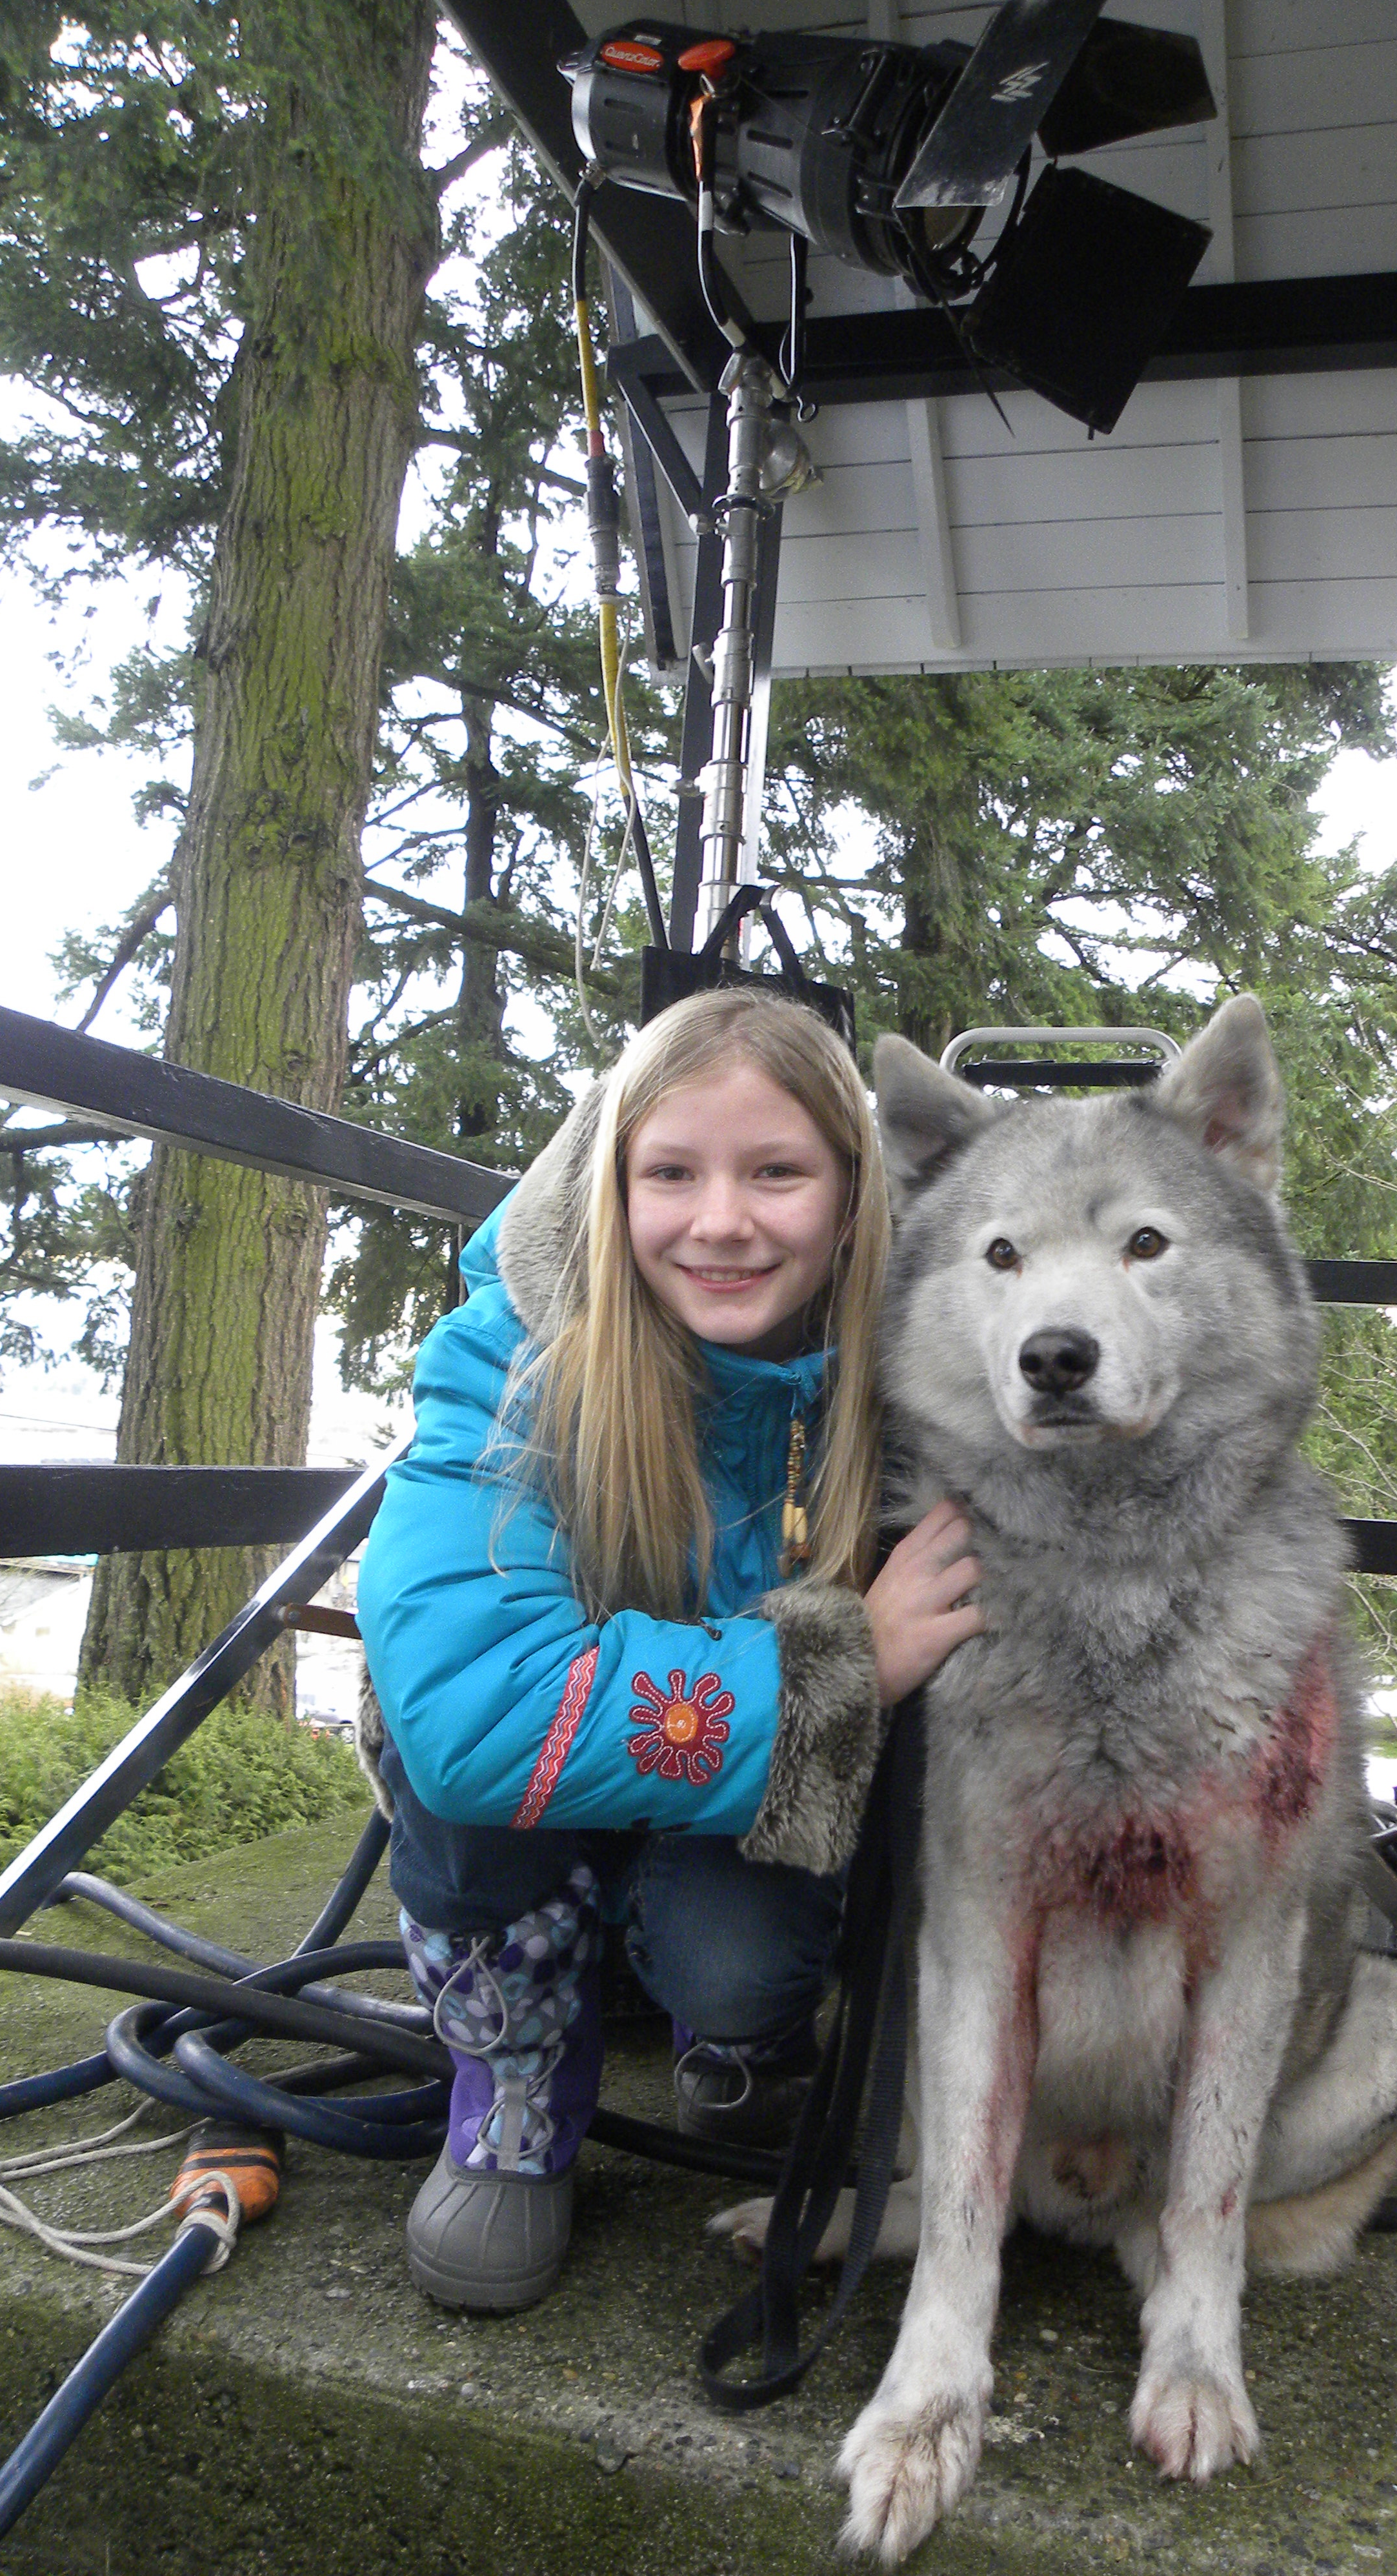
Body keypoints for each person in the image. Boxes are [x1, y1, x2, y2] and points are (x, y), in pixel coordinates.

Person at [357, 987, 983, 2313]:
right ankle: (515, 2080)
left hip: (724, 1798)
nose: (722, 1222)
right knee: (437, 1753)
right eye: (672, 1173)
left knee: (741, 1968)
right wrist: (839, 1658)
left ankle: (722, 2025)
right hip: (522, 1816)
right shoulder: (506, 1352)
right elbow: (476, 1710)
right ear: (610, 1184)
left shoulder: (921, 1361)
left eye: (778, 1172)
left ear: (855, 1193)